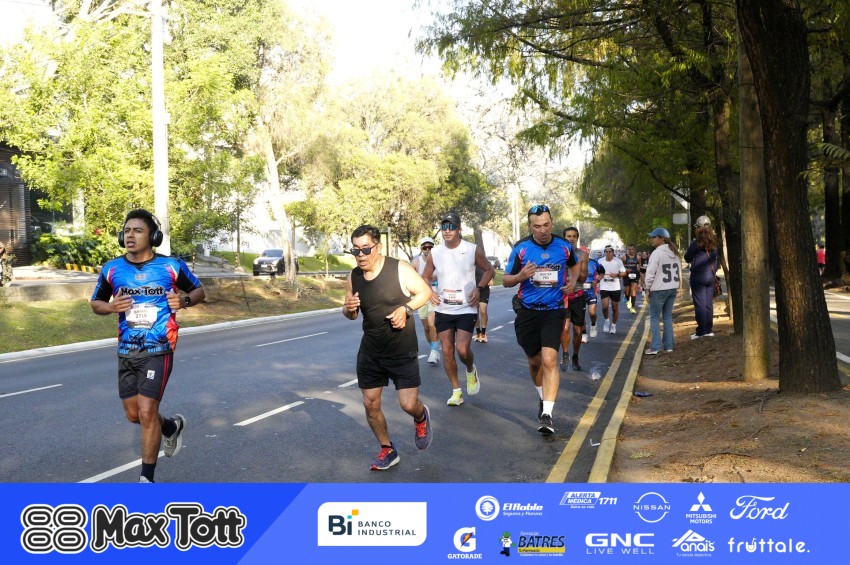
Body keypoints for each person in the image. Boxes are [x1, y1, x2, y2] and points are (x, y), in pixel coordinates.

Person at [90, 209, 205, 483]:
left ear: (153, 237)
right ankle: (170, 426)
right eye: (127, 231)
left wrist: (184, 301)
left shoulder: (171, 266)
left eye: (137, 230)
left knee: (146, 411)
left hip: (159, 348)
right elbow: (96, 303)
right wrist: (110, 307)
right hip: (126, 349)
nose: (130, 235)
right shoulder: (112, 269)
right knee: (134, 415)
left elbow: (198, 290)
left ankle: (146, 480)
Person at [342, 225, 434, 470]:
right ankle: (387, 449)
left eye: (365, 249)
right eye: (356, 250)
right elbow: (350, 314)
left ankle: (420, 416)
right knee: (370, 404)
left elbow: (424, 292)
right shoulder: (353, 277)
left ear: (378, 247)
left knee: (408, 404)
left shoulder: (399, 269)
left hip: (401, 349)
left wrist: (406, 309)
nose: (361, 254)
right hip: (371, 351)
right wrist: (348, 308)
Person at [503, 205, 580, 435]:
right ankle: (542, 397)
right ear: (530, 226)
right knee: (535, 361)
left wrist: (572, 282)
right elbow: (506, 280)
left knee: (549, 360)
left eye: (546, 224)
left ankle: (547, 413)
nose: (543, 230)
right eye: (537, 226)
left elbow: (575, 264)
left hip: (554, 310)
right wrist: (521, 275)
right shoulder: (521, 248)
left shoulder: (564, 246)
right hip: (527, 312)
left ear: (551, 222)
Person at [423, 212, 495, 406]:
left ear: (459, 229)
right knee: (447, 350)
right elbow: (425, 276)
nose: (447, 231)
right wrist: (429, 292)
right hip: (443, 308)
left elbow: (489, 270)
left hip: (466, 307)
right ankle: (456, 392)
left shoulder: (471, 249)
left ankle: (470, 369)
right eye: (444, 227)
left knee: (462, 349)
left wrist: (479, 288)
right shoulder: (435, 252)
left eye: (451, 227)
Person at [643, 228, 682, 354]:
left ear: (662, 239)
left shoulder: (657, 253)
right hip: (672, 288)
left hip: (659, 289)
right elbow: (679, 271)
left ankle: (655, 347)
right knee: (667, 316)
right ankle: (669, 346)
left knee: (654, 317)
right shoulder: (675, 252)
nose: (652, 239)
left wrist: (647, 289)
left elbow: (650, 274)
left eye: (654, 237)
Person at [683, 215, 718, 339]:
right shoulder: (715, 242)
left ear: (699, 228)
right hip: (711, 276)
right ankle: (709, 330)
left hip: (698, 276)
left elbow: (687, 258)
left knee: (700, 304)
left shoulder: (696, 243)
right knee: (708, 304)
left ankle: (701, 331)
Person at [559, 227, 589, 371]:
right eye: (568, 236)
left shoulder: (582, 255)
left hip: (577, 295)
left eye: (573, 236)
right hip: (563, 296)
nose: (571, 239)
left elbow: (583, 278)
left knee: (577, 331)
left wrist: (574, 267)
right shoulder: (559, 253)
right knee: (564, 328)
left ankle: (575, 356)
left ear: (577, 238)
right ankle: (565, 354)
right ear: (564, 238)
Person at [410, 237, 441, 364]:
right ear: (421, 248)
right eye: (425, 247)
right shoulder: (416, 262)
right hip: (421, 297)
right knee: (426, 327)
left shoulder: (439, 260)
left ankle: (434, 351)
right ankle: (433, 348)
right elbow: (409, 278)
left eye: (430, 247)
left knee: (432, 324)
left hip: (435, 295)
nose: (427, 249)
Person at [597, 245, 626, 334]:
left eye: (610, 252)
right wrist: (597, 278)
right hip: (604, 285)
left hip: (615, 286)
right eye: (607, 252)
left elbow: (624, 273)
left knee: (614, 307)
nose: (608, 253)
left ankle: (613, 325)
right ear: (604, 252)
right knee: (605, 306)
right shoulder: (600, 261)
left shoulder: (618, 261)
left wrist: (617, 275)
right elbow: (597, 272)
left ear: (613, 252)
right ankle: (606, 321)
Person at [473, 263, 493, 343]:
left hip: (484, 289)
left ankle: (484, 333)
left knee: (483, 310)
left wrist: (491, 279)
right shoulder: (470, 262)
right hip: (473, 289)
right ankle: (478, 332)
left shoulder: (485, 262)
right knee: (475, 312)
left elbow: (491, 271)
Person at [585, 250, 601, 338]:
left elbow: (602, 272)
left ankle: (593, 324)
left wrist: (597, 281)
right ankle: (583, 333)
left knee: (592, 312)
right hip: (579, 292)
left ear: (588, 254)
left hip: (591, 292)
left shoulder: (594, 263)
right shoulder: (575, 263)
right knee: (580, 315)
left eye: (585, 254)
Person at [621, 244, 641, 314]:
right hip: (626, 276)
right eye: (630, 249)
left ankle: (632, 307)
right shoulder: (624, 257)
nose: (631, 251)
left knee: (633, 290)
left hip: (635, 275)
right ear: (628, 250)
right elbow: (621, 267)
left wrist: (638, 268)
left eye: (632, 249)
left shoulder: (638, 257)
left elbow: (640, 265)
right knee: (627, 292)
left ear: (634, 250)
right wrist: (625, 270)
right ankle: (626, 297)